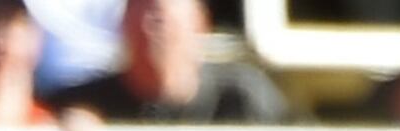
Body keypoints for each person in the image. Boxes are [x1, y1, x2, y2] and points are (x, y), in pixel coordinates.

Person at [52, 0, 286, 114]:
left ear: (200, 23)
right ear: (123, 24)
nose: (154, 23)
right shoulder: (88, 103)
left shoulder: (243, 97)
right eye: (144, 9)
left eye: (165, 14)